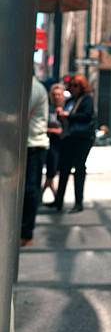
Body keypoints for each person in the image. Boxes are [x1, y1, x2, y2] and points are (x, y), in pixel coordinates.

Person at [51, 75, 96, 213]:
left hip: (82, 138)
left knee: (79, 168)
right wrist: (61, 114)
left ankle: (78, 202)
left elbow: (87, 116)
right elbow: (63, 117)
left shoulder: (86, 99)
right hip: (70, 137)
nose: (73, 88)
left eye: (76, 86)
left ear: (82, 87)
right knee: (64, 169)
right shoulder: (71, 100)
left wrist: (68, 115)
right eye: (71, 86)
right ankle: (58, 200)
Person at [21, 76, 50, 246]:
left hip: (33, 145)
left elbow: (21, 114)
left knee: (30, 190)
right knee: (28, 189)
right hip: (28, 145)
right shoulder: (28, 86)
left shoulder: (31, 87)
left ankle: (26, 233)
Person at [42, 83, 66, 200]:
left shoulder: (68, 108)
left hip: (63, 144)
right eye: (54, 95)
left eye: (59, 95)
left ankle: (48, 194)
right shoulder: (47, 108)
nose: (57, 97)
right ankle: (54, 196)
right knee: (51, 169)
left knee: (55, 170)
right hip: (50, 143)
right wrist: (54, 130)